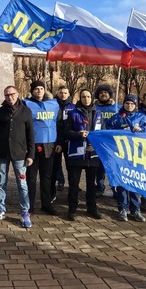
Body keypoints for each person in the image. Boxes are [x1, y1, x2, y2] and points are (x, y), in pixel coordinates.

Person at [0, 86, 35, 228]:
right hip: (2, 153)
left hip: (20, 153)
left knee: (22, 184)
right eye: (7, 95)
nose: (10, 97)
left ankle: (25, 211)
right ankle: (1, 208)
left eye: (12, 94)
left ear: (17, 94)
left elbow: (30, 134)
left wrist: (31, 154)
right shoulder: (0, 112)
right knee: (2, 182)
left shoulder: (26, 111)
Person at [106, 94, 146, 222]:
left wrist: (142, 130)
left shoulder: (142, 118)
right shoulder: (116, 118)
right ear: (123, 104)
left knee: (135, 182)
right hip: (120, 156)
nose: (129, 106)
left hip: (136, 156)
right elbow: (107, 133)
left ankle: (135, 209)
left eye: (132, 104)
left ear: (135, 105)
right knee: (121, 183)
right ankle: (122, 208)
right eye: (127, 103)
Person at [62, 89, 103, 220]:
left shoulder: (98, 114)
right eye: (83, 97)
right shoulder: (73, 113)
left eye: (88, 96)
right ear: (80, 98)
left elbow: (103, 133)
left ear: (92, 98)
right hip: (76, 153)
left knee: (91, 184)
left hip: (92, 154)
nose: (86, 99)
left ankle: (92, 208)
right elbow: (66, 132)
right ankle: (72, 209)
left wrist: (96, 145)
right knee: (74, 184)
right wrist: (77, 134)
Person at [24, 80, 61, 215]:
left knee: (47, 177)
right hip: (32, 145)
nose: (39, 91)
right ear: (32, 90)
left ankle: (47, 204)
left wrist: (59, 143)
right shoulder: (26, 104)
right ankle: (30, 205)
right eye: (36, 89)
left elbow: (59, 124)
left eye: (41, 88)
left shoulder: (54, 104)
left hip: (49, 145)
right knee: (31, 177)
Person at [93, 83, 119, 194]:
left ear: (110, 94)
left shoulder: (118, 108)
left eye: (106, 92)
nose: (103, 94)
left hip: (113, 142)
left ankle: (116, 187)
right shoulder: (94, 107)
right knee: (99, 166)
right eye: (101, 92)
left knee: (113, 165)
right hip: (99, 141)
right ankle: (100, 186)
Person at [53, 86, 73, 192]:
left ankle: (73, 183)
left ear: (68, 94)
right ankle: (60, 181)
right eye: (61, 93)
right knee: (57, 163)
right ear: (58, 93)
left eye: (65, 93)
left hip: (69, 139)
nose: (63, 95)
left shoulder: (73, 106)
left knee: (70, 163)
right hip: (56, 138)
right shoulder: (53, 105)